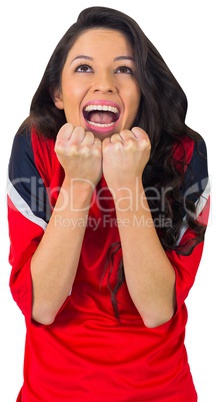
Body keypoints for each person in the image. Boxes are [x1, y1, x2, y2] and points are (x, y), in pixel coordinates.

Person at [7, 6, 210, 402]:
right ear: (58, 93)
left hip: (160, 391)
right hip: (52, 393)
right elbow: (42, 305)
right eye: (84, 68)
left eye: (124, 69)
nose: (105, 85)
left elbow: (156, 310)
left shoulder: (184, 153)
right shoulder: (34, 146)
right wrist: (79, 183)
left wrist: (127, 184)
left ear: (142, 89)